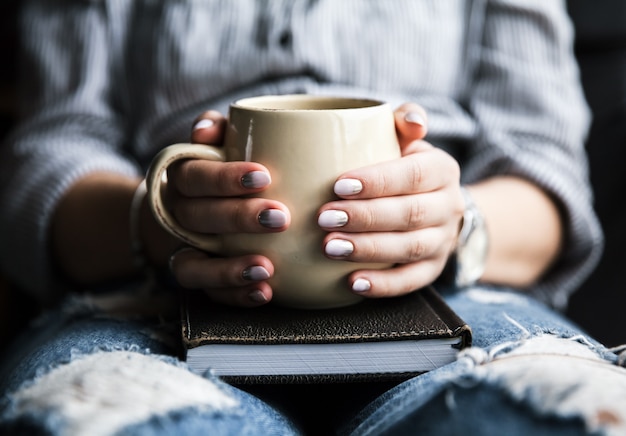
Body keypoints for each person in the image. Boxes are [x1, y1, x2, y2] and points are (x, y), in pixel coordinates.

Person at [0, 0, 624, 434]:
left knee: (541, 415)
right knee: (119, 417)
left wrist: (451, 223)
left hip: (454, 300)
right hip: (154, 301)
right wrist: (163, 219)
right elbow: (46, 153)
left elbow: (547, 172)